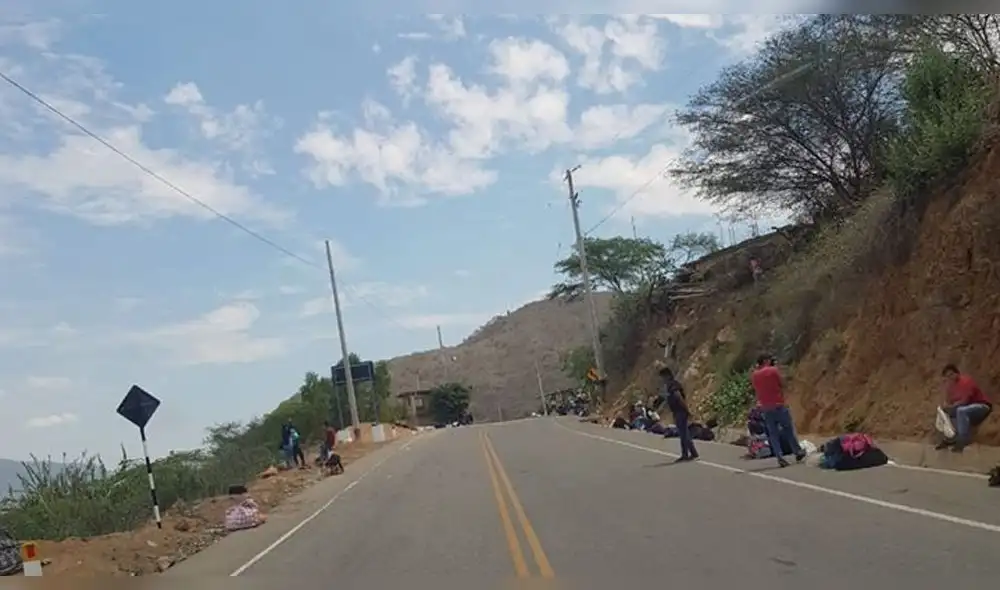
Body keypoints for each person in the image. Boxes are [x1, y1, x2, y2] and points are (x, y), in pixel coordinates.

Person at [750, 354, 805, 468]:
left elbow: (756, 390)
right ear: (765, 360)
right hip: (778, 405)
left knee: (773, 434)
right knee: (788, 429)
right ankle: (797, 451)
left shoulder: (755, 375)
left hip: (766, 407)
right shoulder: (773, 370)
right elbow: (782, 384)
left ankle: (779, 457)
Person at [937, 364, 992, 452]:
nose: (950, 378)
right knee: (944, 413)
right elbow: (947, 403)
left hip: (981, 406)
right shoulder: (950, 387)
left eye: (951, 374)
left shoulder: (966, 381)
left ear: (957, 374)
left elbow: (964, 401)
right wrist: (945, 408)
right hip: (965, 409)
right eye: (947, 376)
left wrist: (951, 407)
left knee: (960, 411)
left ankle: (963, 439)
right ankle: (950, 437)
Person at [656, 365, 698, 462]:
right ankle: (693, 452)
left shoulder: (673, 385)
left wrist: (686, 410)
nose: (662, 380)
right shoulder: (670, 386)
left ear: (667, 375)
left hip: (680, 411)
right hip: (677, 411)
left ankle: (685, 455)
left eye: (663, 377)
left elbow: (678, 397)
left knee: (683, 434)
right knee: (685, 432)